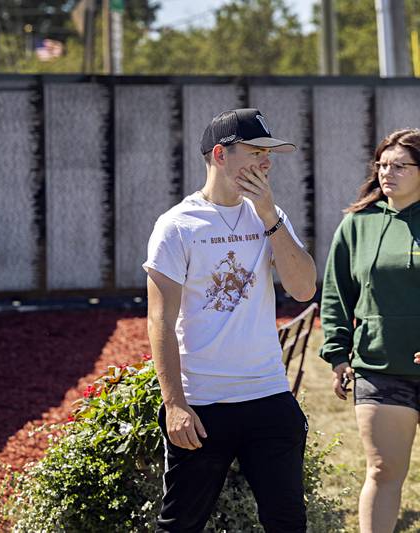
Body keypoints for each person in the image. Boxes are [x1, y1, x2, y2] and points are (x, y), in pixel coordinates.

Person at [143, 108, 317, 532]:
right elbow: (160, 322)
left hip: (269, 395)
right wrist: (175, 405)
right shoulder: (177, 226)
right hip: (203, 405)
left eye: (268, 154)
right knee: (180, 524)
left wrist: (269, 214)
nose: (266, 162)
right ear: (220, 154)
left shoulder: (271, 216)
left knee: (289, 522)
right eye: (256, 151)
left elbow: (304, 289)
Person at [320, 128, 420, 533]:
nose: (387, 173)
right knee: (381, 471)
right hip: (379, 368)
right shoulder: (357, 225)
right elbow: (336, 295)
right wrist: (338, 356)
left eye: (399, 165)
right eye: (382, 165)